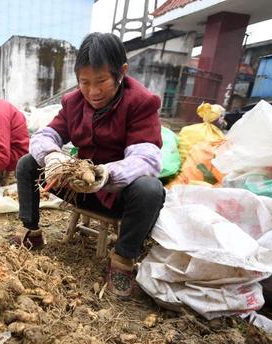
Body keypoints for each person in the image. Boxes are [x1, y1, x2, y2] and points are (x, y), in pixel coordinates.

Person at [11, 32, 165, 299]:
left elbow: (147, 159)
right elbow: (45, 136)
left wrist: (105, 175)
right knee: (27, 164)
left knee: (151, 189)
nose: (93, 92)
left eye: (102, 81)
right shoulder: (73, 103)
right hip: (77, 188)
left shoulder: (140, 102)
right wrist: (53, 157)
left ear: (121, 73)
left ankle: (122, 260)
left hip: (116, 195)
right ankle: (31, 231)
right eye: (84, 82)